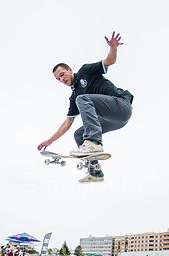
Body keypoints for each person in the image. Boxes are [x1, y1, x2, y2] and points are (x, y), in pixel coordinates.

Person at [37, 32, 133, 182]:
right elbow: (67, 123)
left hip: (121, 106)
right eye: (58, 79)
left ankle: (94, 142)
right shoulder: (74, 96)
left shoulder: (85, 71)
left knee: (82, 99)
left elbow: (109, 60)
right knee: (78, 134)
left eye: (62, 74)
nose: (62, 79)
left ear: (69, 70)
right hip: (113, 120)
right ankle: (95, 172)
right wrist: (50, 141)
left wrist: (113, 48)